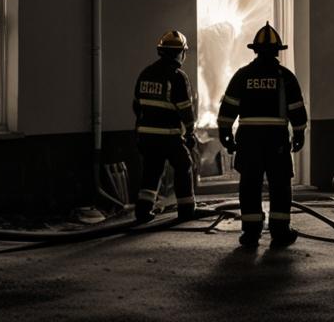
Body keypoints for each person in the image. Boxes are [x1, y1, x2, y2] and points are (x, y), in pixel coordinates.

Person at [217, 22, 307, 248]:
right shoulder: (285, 77)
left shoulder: (242, 76)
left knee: (249, 185)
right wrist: (299, 133)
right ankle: (280, 232)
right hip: (276, 140)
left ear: (255, 50)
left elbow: (228, 108)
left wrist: (225, 133)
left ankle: (250, 233)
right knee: (280, 186)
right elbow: (296, 109)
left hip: (248, 141)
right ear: (278, 51)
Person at [132, 29, 198, 223]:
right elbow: (186, 109)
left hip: (145, 135)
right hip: (168, 135)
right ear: (180, 53)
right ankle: (186, 210)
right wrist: (191, 132)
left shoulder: (146, 73)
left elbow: (137, 105)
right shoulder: (177, 76)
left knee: (152, 171)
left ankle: (143, 211)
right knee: (184, 165)